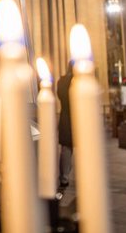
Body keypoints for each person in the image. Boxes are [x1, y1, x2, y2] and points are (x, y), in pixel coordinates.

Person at [56, 61, 74, 189]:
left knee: (66, 149)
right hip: (76, 117)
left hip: (66, 117)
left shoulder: (61, 81)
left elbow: (60, 96)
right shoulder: (79, 81)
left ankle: (64, 177)